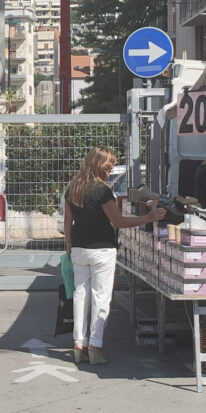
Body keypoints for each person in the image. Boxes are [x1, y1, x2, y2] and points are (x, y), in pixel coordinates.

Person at [64, 146, 166, 365]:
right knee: (100, 298)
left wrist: (69, 246)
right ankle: (95, 346)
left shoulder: (73, 187)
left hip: (79, 250)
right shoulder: (102, 191)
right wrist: (149, 217)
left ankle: (78, 344)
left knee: (80, 296)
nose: (111, 168)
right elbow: (119, 222)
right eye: (109, 163)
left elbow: (67, 222)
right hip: (102, 249)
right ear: (99, 164)